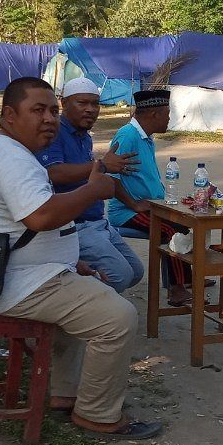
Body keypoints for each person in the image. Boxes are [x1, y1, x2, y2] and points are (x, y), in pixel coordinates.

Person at [0, 77, 162, 439]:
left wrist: (70, 262)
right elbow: (40, 216)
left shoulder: (10, 150)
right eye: (37, 111)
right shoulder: (10, 158)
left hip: (24, 270)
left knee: (91, 290)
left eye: (52, 111)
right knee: (118, 318)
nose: (49, 119)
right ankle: (97, 415)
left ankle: (65, 395)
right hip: (20, 281)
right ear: (9, 115)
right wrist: (92, 190)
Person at [39, 77, 144, 294]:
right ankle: (68, 300)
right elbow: (53, 173)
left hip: (97, 221)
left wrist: (133, 204)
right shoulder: (55, 132)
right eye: (82, 103)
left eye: (95, 104)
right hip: (75, 225)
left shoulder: (84, 137)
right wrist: (103, 165)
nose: (90, 110)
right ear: (63, 103)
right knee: (120, 276)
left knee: (135, 272)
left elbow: (95, 173)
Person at [106, 88, 194, 307]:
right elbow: (112, 177)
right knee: (169, 231)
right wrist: (133, 204)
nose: (169, 119)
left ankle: (186, 280)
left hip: (150, 206)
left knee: (183, 225)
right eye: (167, 114)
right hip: (125, 211)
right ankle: (177, 289)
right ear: (155, 115)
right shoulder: (128, 136)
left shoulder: (146, 138)